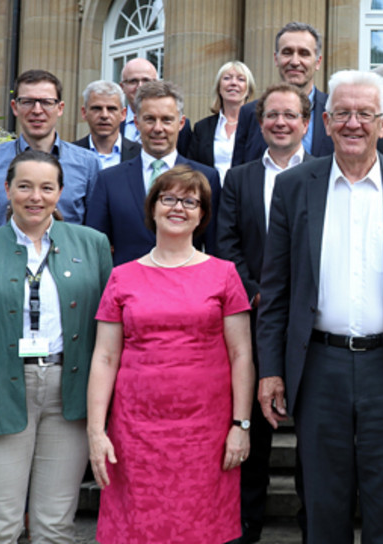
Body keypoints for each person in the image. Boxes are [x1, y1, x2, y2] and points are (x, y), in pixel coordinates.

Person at [256, 70, 383, 544]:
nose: (353, 123)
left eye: (365, 113)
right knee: (323, 500)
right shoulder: (294, 186)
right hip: (318, 364)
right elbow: (276, 289)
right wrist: (270, 369)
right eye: (342, 113)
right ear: (324, 121)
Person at [0, 150, 113, 543]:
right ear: (6, 190)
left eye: (46, 187)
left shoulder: (92, 245)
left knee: (55, 525)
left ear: (60, 192)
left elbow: (109, 332)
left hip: (69, 393)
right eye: (24, 186)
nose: (35, 197)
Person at [87, 164, 254, 544]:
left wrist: (240, 426)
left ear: (202, 215)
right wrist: (97, 431)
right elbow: (105, 358)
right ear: (153, 208)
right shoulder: (122, 276)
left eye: (190, 201)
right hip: (135, 433)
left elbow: (241, 354)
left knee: (202, 530)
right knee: (137, 529)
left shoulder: (225, 274)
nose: (178, 207)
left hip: (206, 435)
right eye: (169, 198)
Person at [217, 81, 311, 544]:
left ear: (306, 123)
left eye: (290, 115)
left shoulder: (324, 172)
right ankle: (247, 524)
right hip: (253, 318)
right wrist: (256, 293)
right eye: (272, 115)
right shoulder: (238, 178)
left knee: (314, 429)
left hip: (313, 321)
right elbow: (227, 245)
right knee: (252, 423)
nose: (280, 122)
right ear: (260, 122)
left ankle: (313, 521)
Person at [86, 80, 221, 266]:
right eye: (150, 119)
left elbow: (214, 247)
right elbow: (94, 249)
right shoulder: (109, 180)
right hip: (128, 290)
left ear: (181, 123)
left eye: (166, 120)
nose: (158, 128)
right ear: (137, 123)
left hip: (186, 289)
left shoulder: (207, 178)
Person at [0, 69, 100, 242]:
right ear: (15, 107)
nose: (37, 110)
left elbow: (95, 232)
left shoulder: (88, 163)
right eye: (27, 102)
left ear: (60, 108)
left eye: (46, 102)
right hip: (2, 265)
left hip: (68, 265)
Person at [232, 22, 333, 165]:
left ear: (318, 62)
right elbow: (239, 176)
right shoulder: (250, 113)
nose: (295, 61)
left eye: (304, 53)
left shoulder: (334, 112)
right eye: (287, 52)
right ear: (276, 59)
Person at [189, 61, 256, 181]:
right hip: (210, 195)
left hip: (245, 195)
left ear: (248, 90)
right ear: (219, 88)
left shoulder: (258, 127)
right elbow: (192, 167)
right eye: (227, 78)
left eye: (241, 79)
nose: (233, 83)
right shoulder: (202, 128)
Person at [119, 58, 192, 154]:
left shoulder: (181, 125)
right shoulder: (114, 122)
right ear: (122, 87)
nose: (140, 86)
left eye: (146, 80)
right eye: (133, 81)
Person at [74, 80, 141, 169]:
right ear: (84, 112)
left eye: (111, 109)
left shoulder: (141, 154)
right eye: (97, 108)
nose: (104, 115)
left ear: (123, 114)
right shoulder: (68, 154)